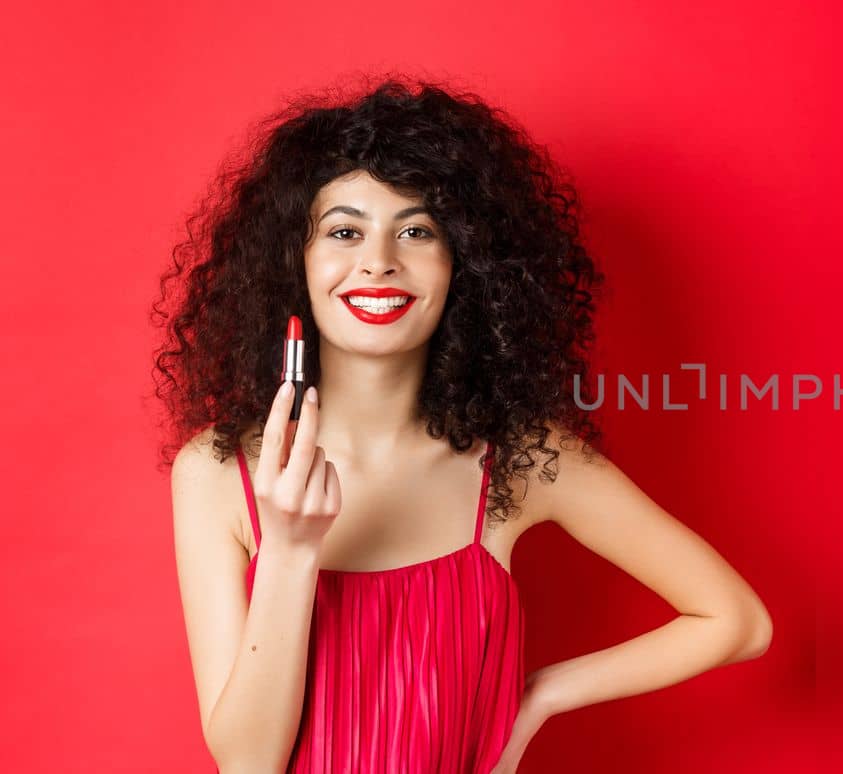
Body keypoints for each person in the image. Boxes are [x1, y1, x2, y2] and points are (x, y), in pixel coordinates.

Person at [151, 76, 773, 773]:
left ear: (465, 266)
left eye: (416, 230)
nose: (379, 260)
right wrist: (291, 548)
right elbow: (248, 763)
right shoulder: (216, 470)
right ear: (294, 264)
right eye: (344, 231)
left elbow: (738, 623)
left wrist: (536, 698)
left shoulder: (523, 462)